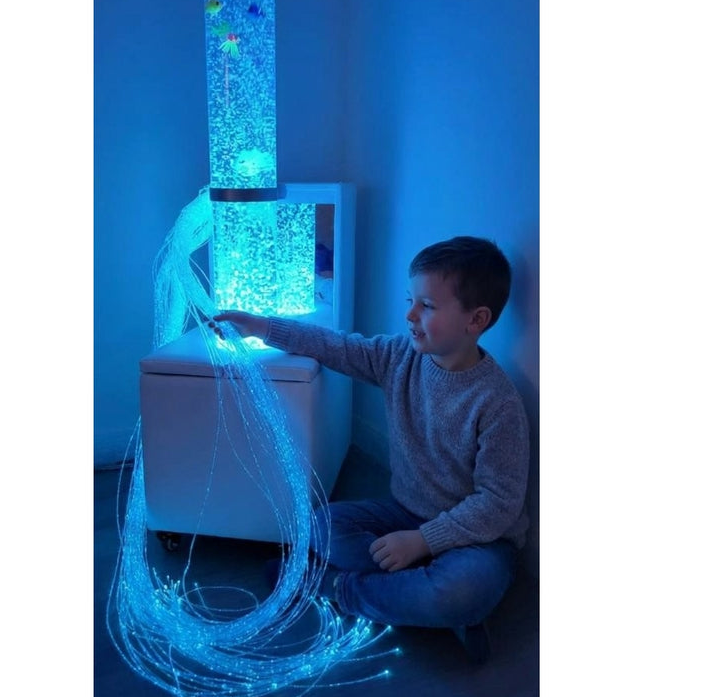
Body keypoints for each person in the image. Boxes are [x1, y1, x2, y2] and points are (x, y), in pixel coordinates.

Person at [210, 236, 530, 663]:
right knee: (322, 526)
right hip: (405, 511)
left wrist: (422, 541)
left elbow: (499, 504)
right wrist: (263, 326)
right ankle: (410, 594)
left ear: (476, 320)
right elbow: (336, 346)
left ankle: (337, 588)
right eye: (410, 300)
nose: (410, 315)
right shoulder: (399, 357)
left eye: (427, 306)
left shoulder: (498, 403)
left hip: (480, 540)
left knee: (463, 590)